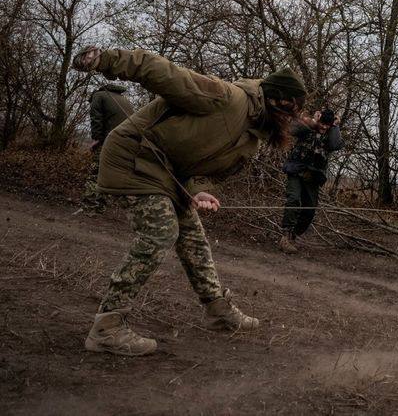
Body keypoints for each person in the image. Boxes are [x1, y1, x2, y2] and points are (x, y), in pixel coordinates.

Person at [71, 46, 307, 357]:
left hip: (169, 173)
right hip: (134, 154)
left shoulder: (251, 138)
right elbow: (164, 72)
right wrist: (107, 60)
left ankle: (218, 311)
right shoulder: (228, 97)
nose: (292, 120)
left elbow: (203, 166)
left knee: (193, 238)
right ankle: (107, 327)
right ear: (278, 101)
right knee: (161, 232)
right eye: (291, 111)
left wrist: (199, 189)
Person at [279, 109, 343, 253]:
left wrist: (336, 125)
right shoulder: (307, 128)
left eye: (327, 124)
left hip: (313, 177)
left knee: (310, 209)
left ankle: (293, 236)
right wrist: (313, 121)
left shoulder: (331, 135)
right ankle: (285, 236)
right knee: (293, 199)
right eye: (322, 123)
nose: (324, 127)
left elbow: (335, 145)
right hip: (296, 170)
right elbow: (292, 129)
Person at [80, 82, 134, 214]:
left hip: (110, 141)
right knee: (113, 175)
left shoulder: (98, 96)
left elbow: (96, 119)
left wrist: (96, 139)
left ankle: (90, 207)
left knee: (96, 173)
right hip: (128, 143)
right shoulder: (124, 99)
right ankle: (103, 205)